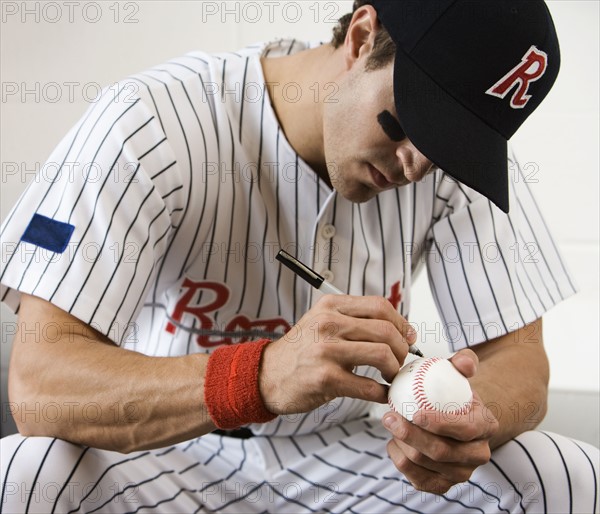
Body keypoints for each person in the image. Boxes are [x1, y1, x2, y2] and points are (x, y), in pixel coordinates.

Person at [1, 0, 598, 512]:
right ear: (361, 37)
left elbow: (520, 363)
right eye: (409, 121)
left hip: (347, 458)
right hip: (165, 448)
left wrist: (469, 417)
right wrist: (258, 376)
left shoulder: (447, 168)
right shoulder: (152, 119)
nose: (416, 162)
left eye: (448, 144)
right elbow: (40, 386)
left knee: (559, 472)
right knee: (22, 471)